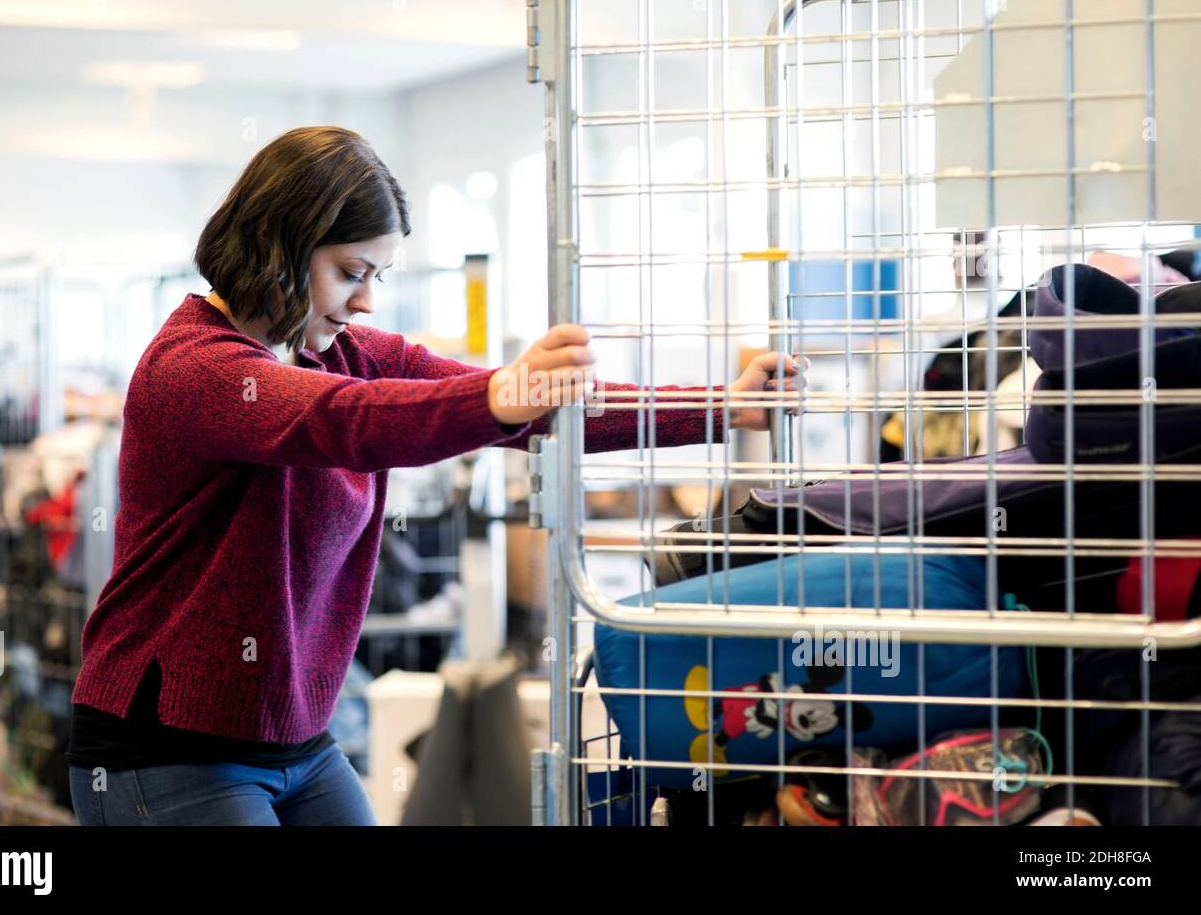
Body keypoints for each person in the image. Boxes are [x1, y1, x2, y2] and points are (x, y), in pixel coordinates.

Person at [66, 126, 805, 825]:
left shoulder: (342, 349)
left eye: (376, 275)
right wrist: (499, 397)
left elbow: (535, 408)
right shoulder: (195, 368)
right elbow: (348, 420)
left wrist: (725, 406)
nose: (366, 301)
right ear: (272, 242)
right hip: (165, 747)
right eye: (349, 273)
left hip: (295, 739)